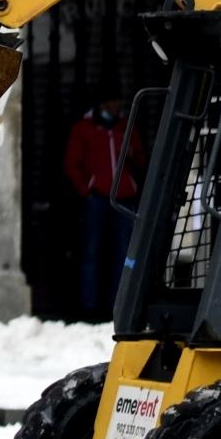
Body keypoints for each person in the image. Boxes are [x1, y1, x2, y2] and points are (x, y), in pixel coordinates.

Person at [63, 95, 139, 319]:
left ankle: (119, 303)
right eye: (113, 101)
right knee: (91, 252)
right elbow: (72, 164)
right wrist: (87, 189)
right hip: (97, 198)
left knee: (125, 254)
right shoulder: (84, 128)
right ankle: (90, 306)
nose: (117, 105)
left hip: (124, 197)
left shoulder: (127, 126)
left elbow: (142, 158)